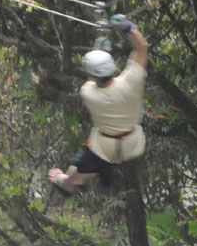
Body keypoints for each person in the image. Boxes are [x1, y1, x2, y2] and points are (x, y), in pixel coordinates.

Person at [48, 22, 149, 194]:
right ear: (113, 67)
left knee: (83, 163)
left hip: (104, 146)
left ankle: (66, 182)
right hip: (133, 142)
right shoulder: (131, 82)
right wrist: (129, 27)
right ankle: (105, 180)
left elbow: (93, 80)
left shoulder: (87, 92)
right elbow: (141, 48)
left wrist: (99, 52)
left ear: (92, 75)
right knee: (93, 153)